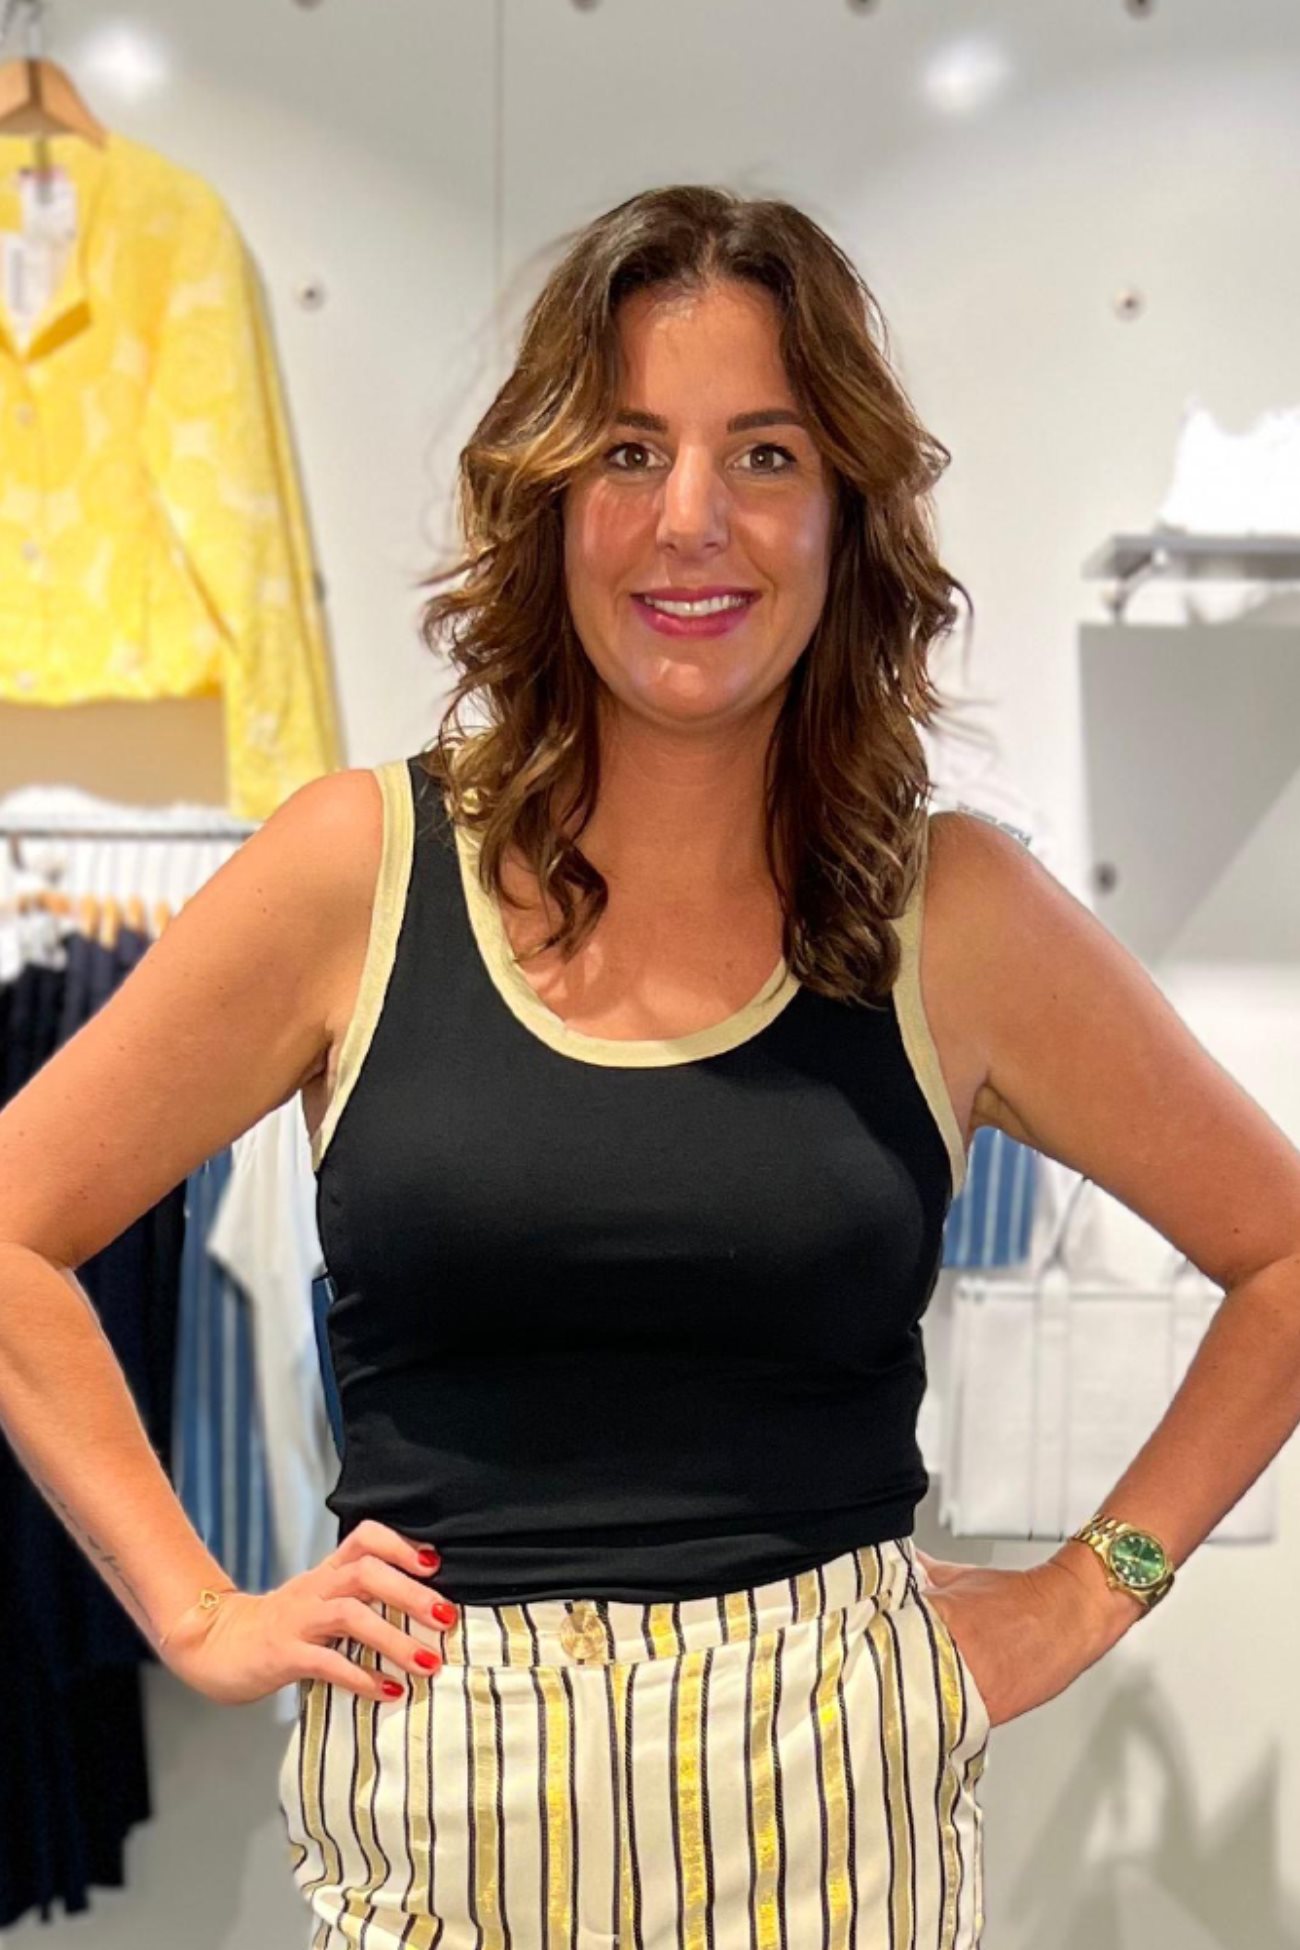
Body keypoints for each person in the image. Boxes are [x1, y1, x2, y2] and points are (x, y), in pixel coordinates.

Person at [2, 185, 1299, 1950]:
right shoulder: (355, 874)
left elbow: (1280, 1254)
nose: (692, 519)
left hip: (834, 1813)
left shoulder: (956, 916)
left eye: (765, 453)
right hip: (445, 1813)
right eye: (628, 450)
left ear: (846, 511)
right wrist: (195, 1605)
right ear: (546, 501)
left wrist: (1090, 1591)